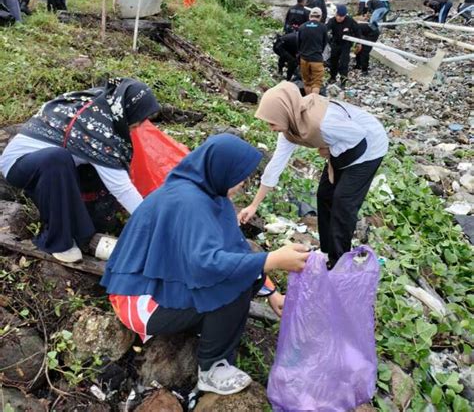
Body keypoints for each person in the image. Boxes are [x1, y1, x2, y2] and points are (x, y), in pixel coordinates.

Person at [102, 134, 309, 395]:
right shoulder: (189, 202)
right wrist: (272, 260)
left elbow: (236, 250)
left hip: (162, 286)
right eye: (239, 176)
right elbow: (207, 266)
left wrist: (272, 293)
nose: (243, 183)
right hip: (140, 300)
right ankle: (211, 369)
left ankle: (206, 330)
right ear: (219, 169)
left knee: (248, 271)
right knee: (234, 280)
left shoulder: (209, 194)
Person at [0, 78, 161, 263]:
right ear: (127, 112)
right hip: (20, 165)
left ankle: (84, 234)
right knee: (57, 157)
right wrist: (155, 225)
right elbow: (122, 188)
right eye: (139, 120)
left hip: (57, 168)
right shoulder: (97, 129)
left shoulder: (106, 109)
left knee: (82, 166)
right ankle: (59, 242)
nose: (139, 126)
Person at [238, 81, 388, 269]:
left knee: (343, 202)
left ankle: (339, 262)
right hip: (344, 146)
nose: (271, 127)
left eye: (271, 122)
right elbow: (276, 165)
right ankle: (326, 250)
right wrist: (254, 205)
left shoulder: (325, 122)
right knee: (324, 194)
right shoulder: (290, 125)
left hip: (370, 145)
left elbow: (359, 135)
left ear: (284, 112)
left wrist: (330, 149)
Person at [326, 4, 360, 88]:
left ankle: (343, 80)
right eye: (338, 16)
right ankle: (332, 77)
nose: (339, 18)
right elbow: (325, 29)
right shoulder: (332, 21)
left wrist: (358, 42)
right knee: (333, 61)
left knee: (344, 63)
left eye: (341, 16)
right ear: (335, 14)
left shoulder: (349, 20)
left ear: (345, 15)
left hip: (346, 44)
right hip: (335, 43)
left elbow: (357, 30)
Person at [298, 7, 328, 96]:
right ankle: (313, 104)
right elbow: (325, 43)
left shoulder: (302, 27)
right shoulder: (323, 27)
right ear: (320, 17)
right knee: (316, 83)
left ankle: (307, 103)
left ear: (310, 16)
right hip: (316, 59)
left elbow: (298, 43)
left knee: (307, 82)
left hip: (304, 59)